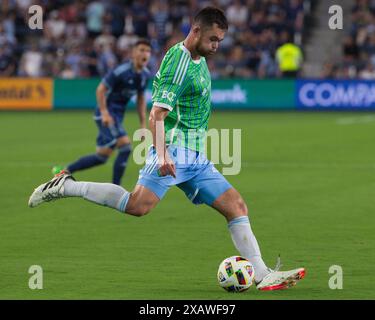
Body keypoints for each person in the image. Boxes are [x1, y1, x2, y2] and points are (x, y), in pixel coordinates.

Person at [29, 7, 305, 291]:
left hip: (195, 155)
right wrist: (162, 155)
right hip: (175, 149)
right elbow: (156, 113)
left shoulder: (196, 57)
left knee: (236, 206)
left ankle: (261, 275)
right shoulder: (180, 62)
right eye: (212, 39)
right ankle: (66, 186)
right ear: (196, 31)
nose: (216, 46)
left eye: (220, 40)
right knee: (137, 206)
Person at [53, 39, 151, 185]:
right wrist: (105, 113)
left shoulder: (145, 75)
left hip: (117, 117)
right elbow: (100, 89)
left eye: (148, 51)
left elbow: (141, 99)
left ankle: (63, 171)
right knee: (125, 147)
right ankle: (115, 188)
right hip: (106, 115)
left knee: (102, 157)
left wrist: (143, 125)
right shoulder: (121, 71)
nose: (145, 54)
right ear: (133, 53)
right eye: (141, 50)